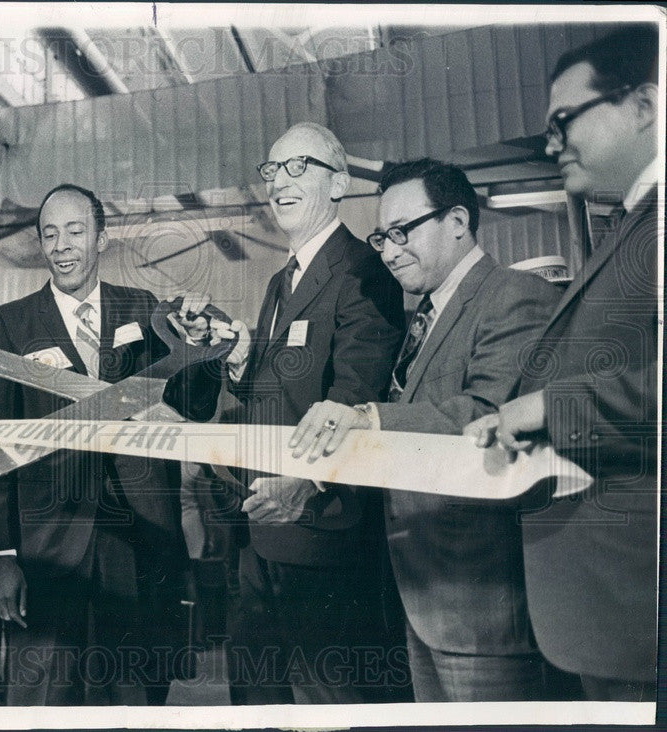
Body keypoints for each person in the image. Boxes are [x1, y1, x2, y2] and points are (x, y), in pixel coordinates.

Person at [288, 159, 560, 701]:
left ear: (457, 220)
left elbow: (484, 413)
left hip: (479, 601)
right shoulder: (423, 315)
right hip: (419, 592)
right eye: (381, 236)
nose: (387, 252)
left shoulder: (514, 296)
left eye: (401, 232)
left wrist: (369, 416)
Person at [465, 25, 660, 702]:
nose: (551, 141)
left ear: (644, 105)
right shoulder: (634, 222)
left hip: (638, 607)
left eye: (565, 119)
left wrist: (553, 406)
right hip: (611, 607)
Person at [0, 183, 221, 705]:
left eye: (75, 231)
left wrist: (199, 348)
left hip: (139, 533)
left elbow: (192, 404)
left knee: (134, 693)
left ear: (101, 238)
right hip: (49, 542)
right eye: (50, 234)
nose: (61, 245)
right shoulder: (9, 322)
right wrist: (2, 556)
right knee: (45, 691)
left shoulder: (146, 308)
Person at [189, 122, 406, 703]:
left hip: (324, 535)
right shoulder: (280, 282)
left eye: (297, 167)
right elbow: (279, 396)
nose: (278, 183)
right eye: (271, 170)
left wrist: (306, 483)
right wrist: (241, 362)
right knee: (259, 702)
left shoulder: (365, 272)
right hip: (261, 535)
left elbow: (359, 399)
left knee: (332, 703)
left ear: (337, 184)